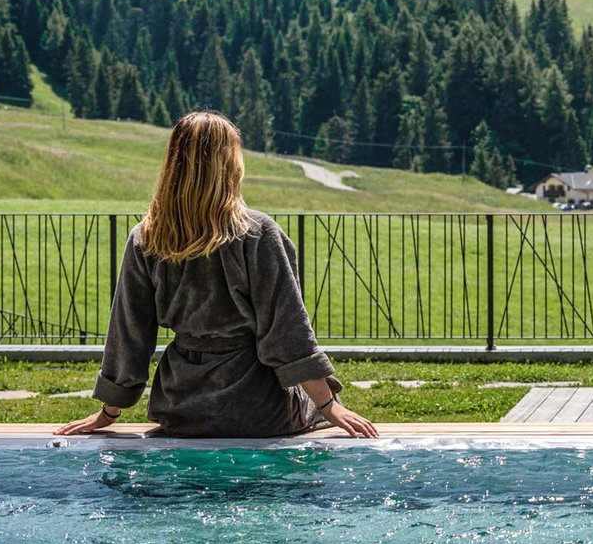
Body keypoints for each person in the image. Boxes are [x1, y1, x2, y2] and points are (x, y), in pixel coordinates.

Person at [56, 111, 378, 438]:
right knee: (314, 409)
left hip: (182, 407)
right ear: (229, 164)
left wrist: (109, 410)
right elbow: (287, 332)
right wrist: (328, 405)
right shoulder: (257, 233)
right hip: (257, 408)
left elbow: (129, 335)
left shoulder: (147, 238)